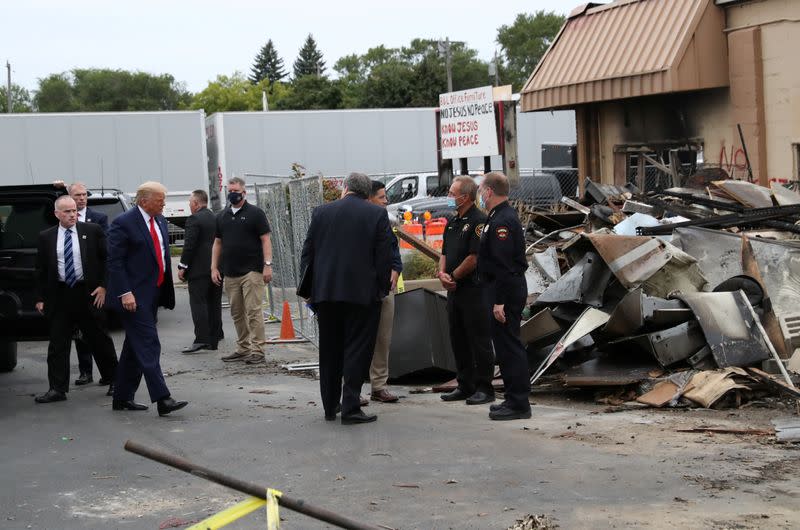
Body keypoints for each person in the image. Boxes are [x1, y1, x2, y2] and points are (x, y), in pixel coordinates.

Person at [300, 172, 392, 425]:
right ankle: (351, 406)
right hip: (362, 295)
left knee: (329, 351)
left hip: (326, 293)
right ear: (366, 192)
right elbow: (383, 257)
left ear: (345, 187)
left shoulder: (321, 212)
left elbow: (308, 252)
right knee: (357, 350)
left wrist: (308, 289)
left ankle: (330, 406)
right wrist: (382, 289)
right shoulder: (376, 214)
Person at [107, 181, 188, 416]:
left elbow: (160, 255)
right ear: (144, 201)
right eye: (160, 199)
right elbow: (115, 262)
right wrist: (125, 292)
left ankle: (122, 397)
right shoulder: (124, 223)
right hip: (132, 296)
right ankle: (163, 398)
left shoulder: (161, 221)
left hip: (153, 293)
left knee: (135, 346)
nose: (164, 203)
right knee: (149, 343)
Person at [33, 195, 118, 403]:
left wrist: (103, 286)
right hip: (60, 295)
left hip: (88, 293)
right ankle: (57, 388)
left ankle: (115, 379)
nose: (72, 214)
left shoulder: (92, 231)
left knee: (99, 338)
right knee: (58, 343)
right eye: (67, 211)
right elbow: (40, 270)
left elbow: (108, 260)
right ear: (57, 214)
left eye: (74, 211)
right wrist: (40, 298)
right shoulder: (46, 237)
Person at [477, 172, 531, 421]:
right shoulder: (497, 216)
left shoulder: (502, 221)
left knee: (510, 347)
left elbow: (503, 265)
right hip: (500, 288)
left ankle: (519, 403)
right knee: (504, 346)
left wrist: (499, 301)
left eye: (481, 189)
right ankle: (511, 398)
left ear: (489, 191)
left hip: (505, 291)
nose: (480, 194)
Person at [437, 176, 495, 406]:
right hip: (454, 291)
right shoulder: (452, 222)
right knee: (458, 337)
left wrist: (453, 276)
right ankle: (465, 384)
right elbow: (444, 252)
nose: (449, 197)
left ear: (466, 197)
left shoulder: (479, 222)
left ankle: (484, 387)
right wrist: (442, 274)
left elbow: (474, 257)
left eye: (453, 194)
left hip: (473, 290)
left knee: (478, 339)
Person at [211, 177, 273, 365]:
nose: (232, 193)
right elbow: (217, 242)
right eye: (229, 190)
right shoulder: (222, 216)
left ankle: (258, 350)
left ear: (244, 192)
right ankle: (243, 348)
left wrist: (267, 264)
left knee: (253, 311)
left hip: (252, 271)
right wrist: (214, 267)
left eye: (236, 190)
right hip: (230, 272)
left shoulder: (255, 213)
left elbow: (265, 239)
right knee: (237, 313)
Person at [68, 181, 111, 387]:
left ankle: (107, 373)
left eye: (84, 195)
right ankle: (86, 371)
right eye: (77, 195)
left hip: (94, 285)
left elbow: (106, 251)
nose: (82, 198)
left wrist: (104, 283)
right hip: (73, 285)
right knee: (80, 333)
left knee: (99, 331)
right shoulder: (65, 218)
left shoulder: (99, 219)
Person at [365, 180, 402, 404]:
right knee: (360, 339)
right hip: (362, 289)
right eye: (381, 197)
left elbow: (393, 250)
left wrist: (396, 270)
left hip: (385, 289)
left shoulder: (385, 223)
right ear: (369, 198)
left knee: (383, 338)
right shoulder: (359, 222)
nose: (386, 201)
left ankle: (379, 385)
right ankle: (352, 387)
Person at [178, 190, 223, 353]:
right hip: (216, 268)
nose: (189, 206)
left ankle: (201, 339)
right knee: (214, 303)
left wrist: (182, 266)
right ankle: (215, 337)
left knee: (198, 303)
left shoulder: (194, 219)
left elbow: (189, 245)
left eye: (190, 203)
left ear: (196, 203)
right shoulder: (215, 217)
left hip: (198, 270)